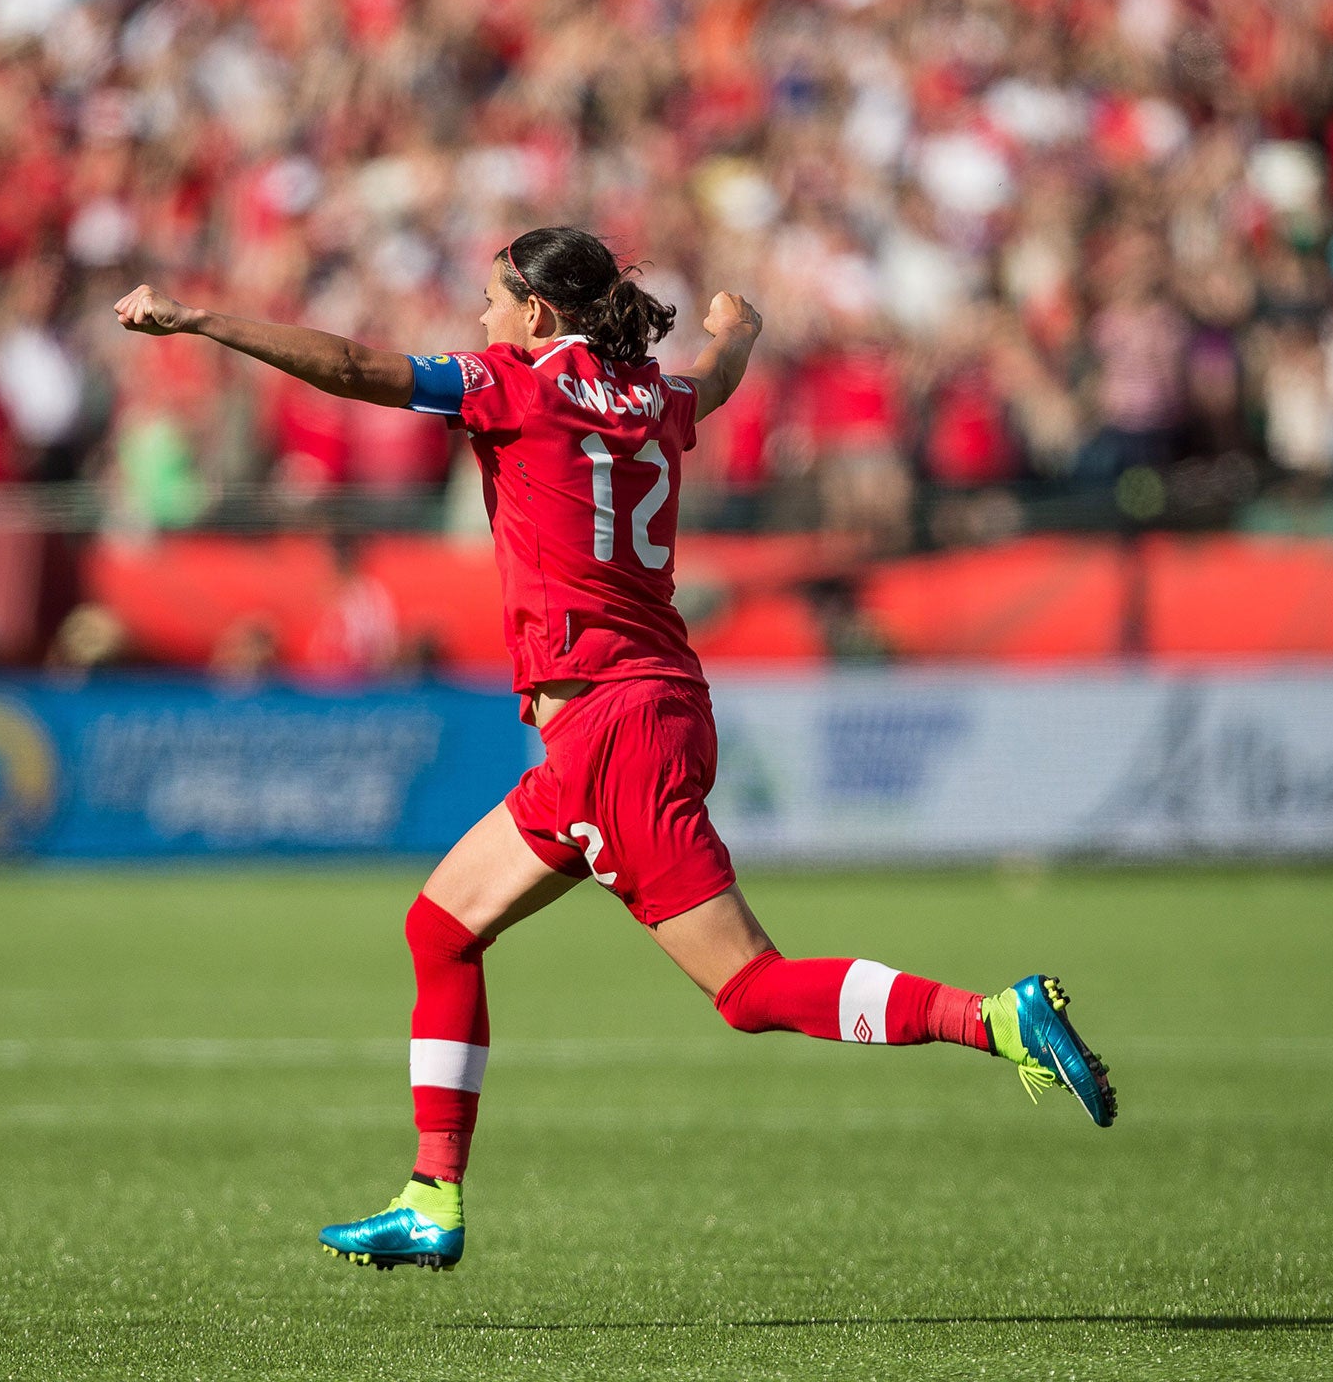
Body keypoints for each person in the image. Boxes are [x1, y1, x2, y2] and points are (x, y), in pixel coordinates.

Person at [115, 226, 1116, 1272]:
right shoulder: (651, 397)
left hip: (609, 728)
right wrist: (735, 334)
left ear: (539, 315)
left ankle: (997, 1017)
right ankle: (429, 1197)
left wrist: (198, 320)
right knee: (439, 927)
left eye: (494, 302)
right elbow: (714, 383)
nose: (483, 321)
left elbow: (358, 370)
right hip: (633, 716)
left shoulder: (514, 382)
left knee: (747, 989)